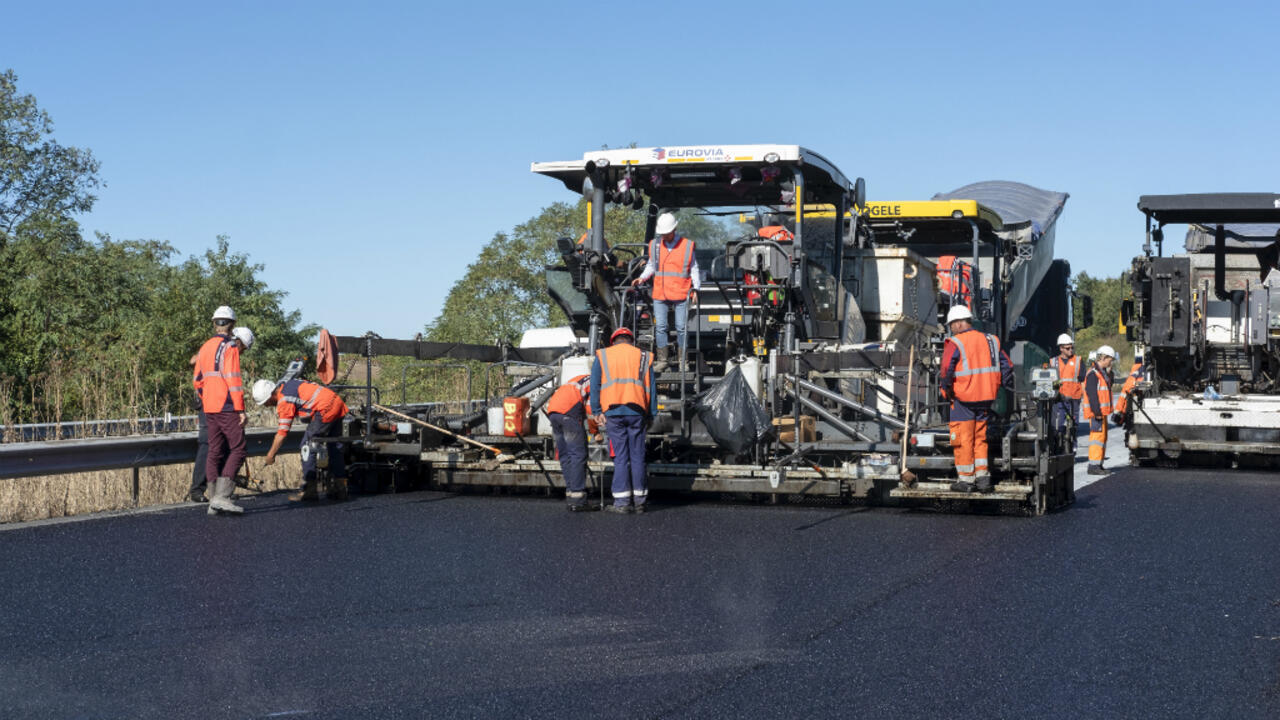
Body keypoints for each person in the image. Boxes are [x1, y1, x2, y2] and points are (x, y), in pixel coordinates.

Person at [939, 305, 1014, 493]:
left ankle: (966, 480)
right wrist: (999, 386)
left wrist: (946, 390)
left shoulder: (955, 342)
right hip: (986, 399)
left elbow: (946, 370)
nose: (951, 328)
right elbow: (1007, 366)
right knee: (980, 439)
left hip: (963, 399)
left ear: (957, 323)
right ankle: (982, 479)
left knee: (963, 439)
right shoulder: (991, 341)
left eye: (951, 325)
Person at [590, 327, 656, 513]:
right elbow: (652, 387)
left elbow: (595, 384)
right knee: (637, 457)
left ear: (614, 341)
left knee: (620, 457)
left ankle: (622, 503)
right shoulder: (643, 356)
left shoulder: (603, 355)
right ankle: (640, 501)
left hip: (613, 412)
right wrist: (651, 414)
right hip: (637, 412)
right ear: (631, 340)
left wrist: (596, 410)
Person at [254, 377, 350, 501]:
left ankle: (310, 490)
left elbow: (282, 433)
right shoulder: (289, 384)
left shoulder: (284, 400)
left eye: (265, 402)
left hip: (325, 409)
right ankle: (340, 488)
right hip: (336, 402)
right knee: (334, 446)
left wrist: (271, 454)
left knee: (307, 446)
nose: (266, 406)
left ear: (271, 395)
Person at [193, 324, 254, 515]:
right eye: (244, 348)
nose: (242, 352)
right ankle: (223, 497)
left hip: (209, 407)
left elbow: (197, 379)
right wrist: (240, 410)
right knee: (239, 448)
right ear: (240, 342)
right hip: (226, 406)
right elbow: (234, 381)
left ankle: (213, 500)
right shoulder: (231, 348)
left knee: (215, 450)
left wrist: (207, 398)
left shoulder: (206, 346)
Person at [631, 212, 700, 372]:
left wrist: (696, 288)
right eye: (662, 233)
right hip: (660, 293)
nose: (664, 236)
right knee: (661, 327)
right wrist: (641, 278)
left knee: (681, 327)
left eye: (666, 233)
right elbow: (651, 265)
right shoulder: (655, 245)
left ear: (674, 229)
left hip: (681, 291)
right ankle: (663, 360)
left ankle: (683, 361)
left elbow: (694, 268)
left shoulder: (687, 246)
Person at [187, 305, 236, 502]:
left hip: (213, 402)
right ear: (231, 324)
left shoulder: (208, 346)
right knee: (209, 445)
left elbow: (196, 374)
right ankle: (201, 490)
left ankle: (216, 490)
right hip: (215, 404)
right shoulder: (224, 347)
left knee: (216, 445)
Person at [545, 374, 593, 511]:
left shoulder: (580, 378)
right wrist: (595, 431)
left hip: (554, 412)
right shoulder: (596, 381)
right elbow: (590, 409)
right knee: (577, 455)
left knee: (565, 455)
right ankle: (578, 500)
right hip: (569, 413)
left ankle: (571, 495)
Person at [1083, 345, 1120, 475]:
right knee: (1097, 439)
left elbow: (1109, 385)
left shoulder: (1102, 373)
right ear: (1103, 357)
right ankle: (1093, 466)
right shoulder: (1093, 374)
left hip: (1101, 413)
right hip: (1096, 413)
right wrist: (1097, 413)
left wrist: (1110, 373)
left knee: (1102, 438)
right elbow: (1092, 395)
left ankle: (1098, 464)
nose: (1111, 362)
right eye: (1110, 359)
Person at [1051, 332, 1086, 450]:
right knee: (1058, 424)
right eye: (1067, 348)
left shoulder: (1078, 360)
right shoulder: (1053, 362)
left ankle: (1073, 446)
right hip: (1059, 398)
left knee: (1074, 424)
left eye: (1072, 347)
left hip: (1074, 398)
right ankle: (1057, 445)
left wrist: (1085, 398)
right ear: (1061, 348)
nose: (1071, 350)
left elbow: (1082, 380)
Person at [1111, 349, 1147, 425]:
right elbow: (1126, 392)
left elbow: (1125, 392)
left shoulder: (1137, 370)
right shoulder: (1139, 370)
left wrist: (1119, 414)